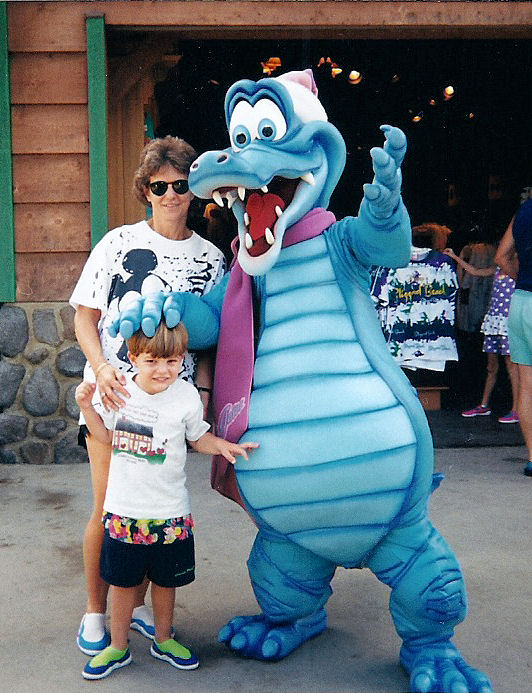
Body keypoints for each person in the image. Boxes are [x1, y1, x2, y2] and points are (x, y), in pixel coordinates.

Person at [70, 136, 226, 655]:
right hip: (116, 401)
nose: (171, 194)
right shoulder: (116, 244)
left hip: (172, 406)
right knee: (109, 507)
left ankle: (136, 612)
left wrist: (201, 390)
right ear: (146, 190)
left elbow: (208, 337)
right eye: (160, 186)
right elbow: (84, 317)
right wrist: (100, 371)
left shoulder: (210, 258)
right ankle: (96, 612)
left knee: (154, 514)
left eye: (181, 185)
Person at [75, 321, 258, 679]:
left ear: (182, 361)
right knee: (123, 584)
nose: (163, 370)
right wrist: (87, 407)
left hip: (171, 512)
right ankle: (117, 646)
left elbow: (198, 438)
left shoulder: (186, 396)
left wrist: (222, 446)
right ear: (133, 358)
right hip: (124, 512)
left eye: (173, 362)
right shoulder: (120, 391)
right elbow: (106, 437)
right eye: (153, 361)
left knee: (166, 582)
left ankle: (163, 638)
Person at [444, 247, 519, 423]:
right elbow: (475, 271)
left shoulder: (516, 268)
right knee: (491, 366)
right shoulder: (497, 269)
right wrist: (455, 257)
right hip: (493, 320)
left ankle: (516, 409)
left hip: (507, 322)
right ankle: (484, 405)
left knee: (511, 366)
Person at [494, 198, 532, 476]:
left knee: (527, 387)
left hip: (520, 303)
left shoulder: (524, 209)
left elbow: (500, 257)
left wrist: (523, 278)